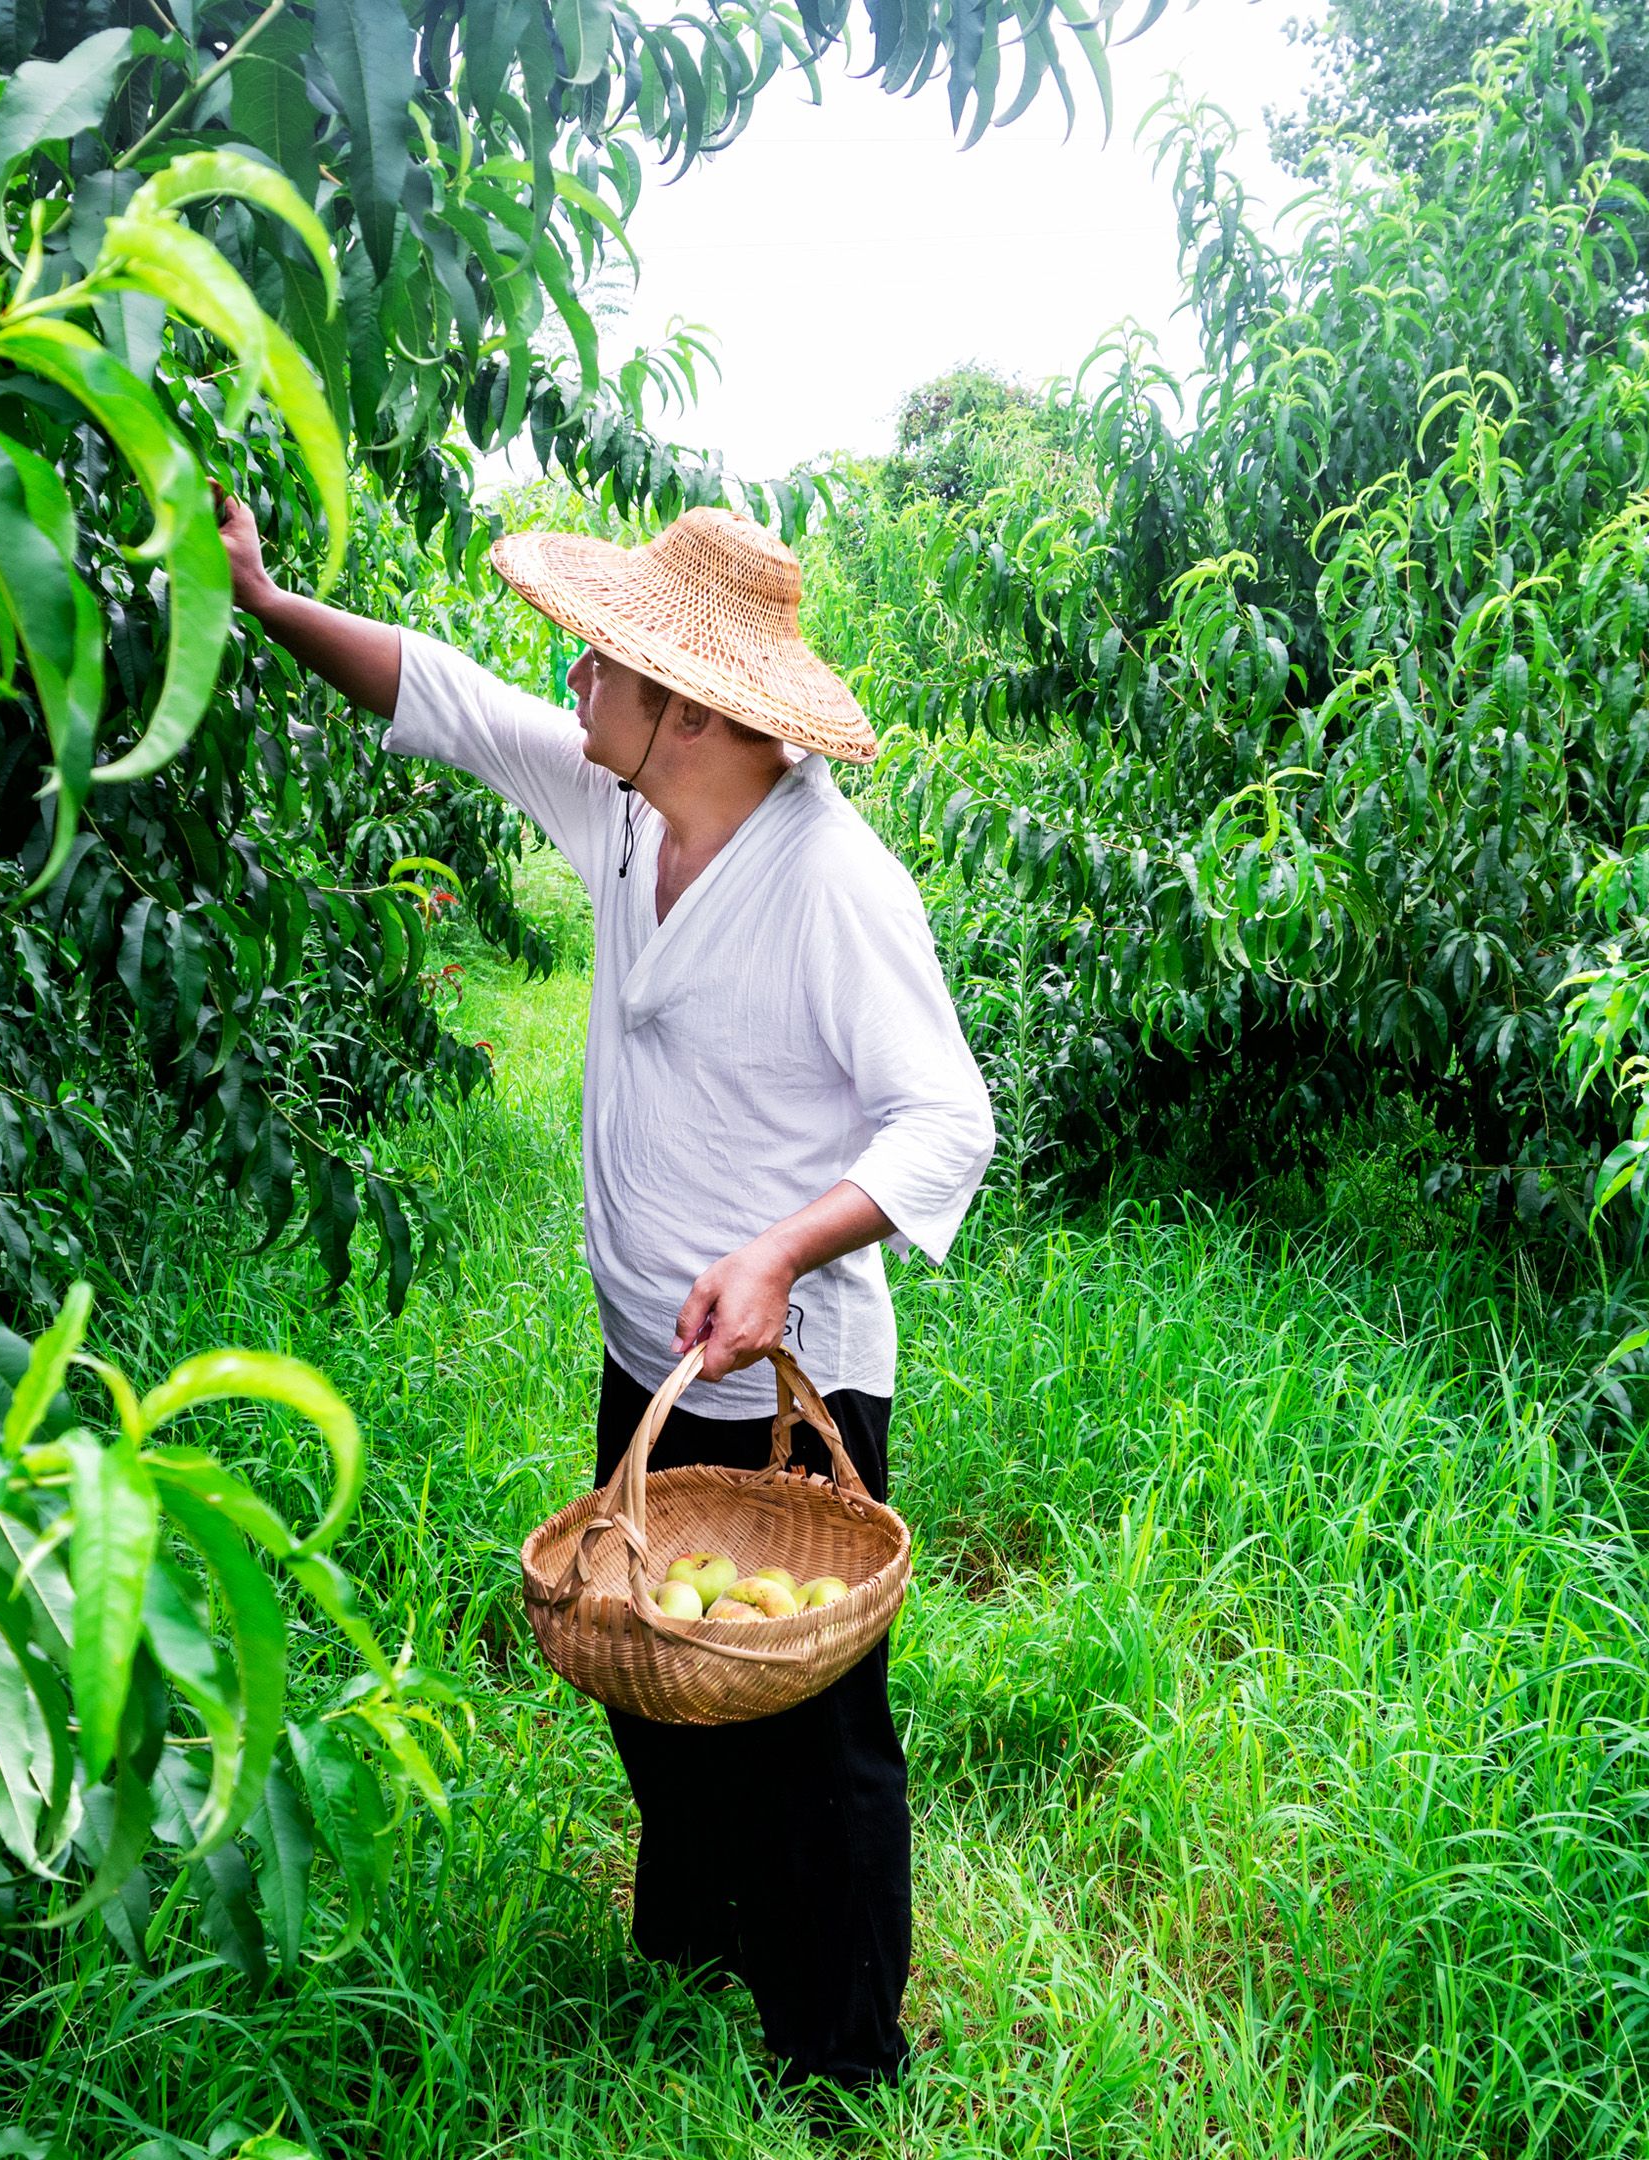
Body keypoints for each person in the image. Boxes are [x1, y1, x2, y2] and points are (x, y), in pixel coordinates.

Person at [219, 493, 996, 2095]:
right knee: (654, 1679)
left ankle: (842, 2058)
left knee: (813, 1746)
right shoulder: (627, 808)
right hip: (649, 1360)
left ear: (693, 709)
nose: (574, 680)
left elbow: (946, 1118)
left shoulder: (834, 889)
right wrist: (268, 602)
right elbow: (446, 700)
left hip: (791, 1385)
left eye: (605, 662)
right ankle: (703, 1935)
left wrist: (782, 1253)